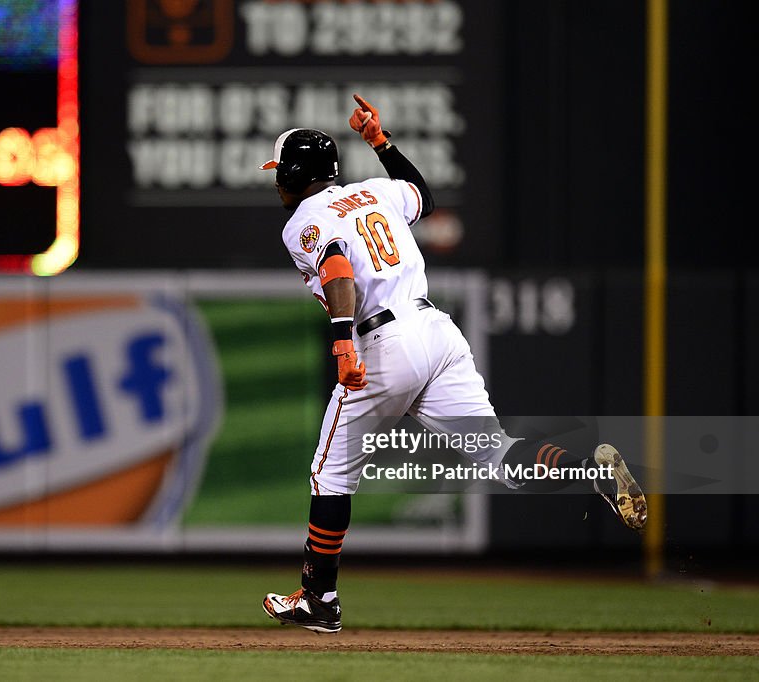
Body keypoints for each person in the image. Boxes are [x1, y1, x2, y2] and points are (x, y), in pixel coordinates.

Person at [259, 94, 647, 634]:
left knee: (330, 474)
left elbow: (337, 265)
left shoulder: (303, 217)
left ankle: (320, 599)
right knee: (497, 454)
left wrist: (344, 344)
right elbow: (425, 197)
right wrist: (380, 142)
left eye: (280, 173)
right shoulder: (374, 190)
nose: (276, 182)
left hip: (380, 342)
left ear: (296, 175)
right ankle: (589, 468)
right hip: (437, 332)